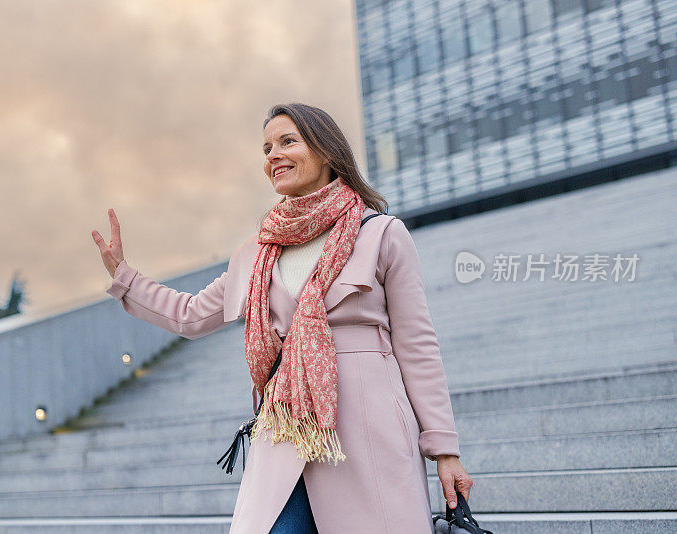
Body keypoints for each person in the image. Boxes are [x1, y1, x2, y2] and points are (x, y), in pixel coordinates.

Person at [92, 102, 473, 533]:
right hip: (285, 431)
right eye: (267, 147)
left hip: (369, 434)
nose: (272, 155)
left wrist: (444, 450)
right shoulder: (256, 255)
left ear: (327, 152)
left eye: (287, 141)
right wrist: (124, 277)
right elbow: (190, 315)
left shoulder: (381, 235)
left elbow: (417, 346)